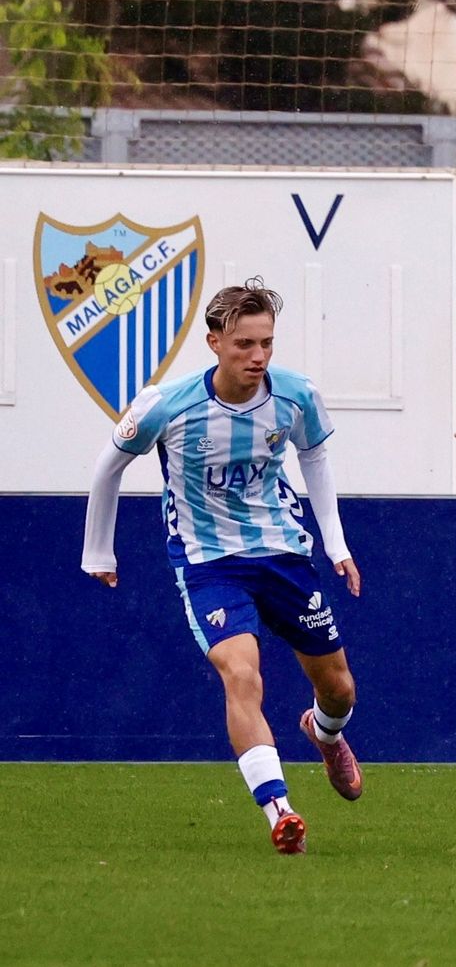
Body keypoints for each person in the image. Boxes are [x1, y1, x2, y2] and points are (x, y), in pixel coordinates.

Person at [81, 279, 363, 855]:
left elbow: (315, 457)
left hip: (282, 553)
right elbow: (107, 469)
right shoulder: (168, 404)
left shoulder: (294, 395)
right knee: (242, 674)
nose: (257, 357)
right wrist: (99, 552)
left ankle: (324, 732)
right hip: (209, 563)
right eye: (244, 345)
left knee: (338, 689)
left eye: (266, 344)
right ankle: (279, 811)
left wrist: (336, 545)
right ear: (214, 342)